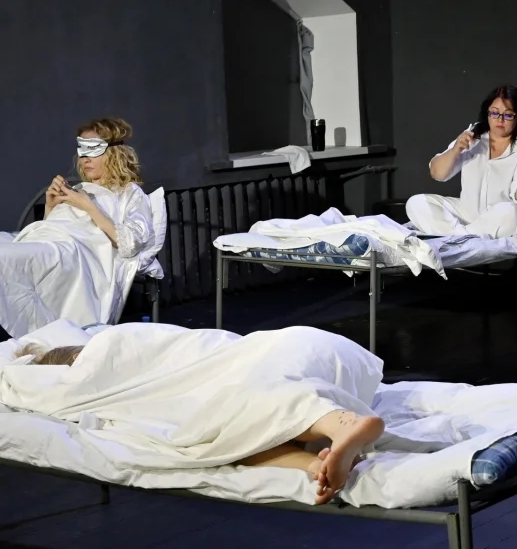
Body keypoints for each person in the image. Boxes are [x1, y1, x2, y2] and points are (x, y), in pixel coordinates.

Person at [10, 323, 386, 506]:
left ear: (75, 359)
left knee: (241, 406)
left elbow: (55, 386)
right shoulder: (120, 339)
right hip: (323, 349)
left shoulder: (106, 347)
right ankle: (317, 465)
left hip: (278, 354)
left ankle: (341, 424)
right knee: (227, 441)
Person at [0, 118, 156, 337]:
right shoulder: (80, 187)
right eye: (82, 151)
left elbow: (130, 243)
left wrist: (88, 206)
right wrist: (51, 206)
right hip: (46, 239)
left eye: (93, 151)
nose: (85, 159)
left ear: (114, 153)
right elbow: (56, 226)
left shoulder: (129, 193)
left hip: (74, 251)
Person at [407, 86, 517, 238]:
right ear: (487, 113)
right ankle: (465, 235)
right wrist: (455, 149)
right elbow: (437, 173)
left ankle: (457, 235)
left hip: (499, 215)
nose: (500, 120)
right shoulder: (473, 135)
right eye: (494, 113)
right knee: (416, 203)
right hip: (466, 212)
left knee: (513, 214)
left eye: (508, 115)